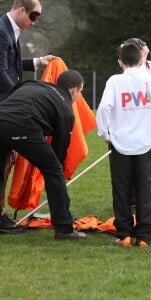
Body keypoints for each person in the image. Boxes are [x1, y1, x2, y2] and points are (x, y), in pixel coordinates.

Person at [96, 43, 151, 248]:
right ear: (141, 60)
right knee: (144, 188)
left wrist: (104, 133)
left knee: (121, 188)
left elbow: (104, 107)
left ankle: (124, 234)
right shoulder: (150, 81)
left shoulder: (115, 81)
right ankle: (144, 235)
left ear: (120, 62)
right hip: (145, 143)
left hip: (119, 143)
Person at [0, 70, 86, 239]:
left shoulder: (34, 83)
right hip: (22, 124)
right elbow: (58, 153)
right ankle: (64, 229)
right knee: (54, 171)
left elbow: (8, 98)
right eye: (80, 93)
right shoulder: (66, 110)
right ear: (74, 90)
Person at [0, 0, 55, 229]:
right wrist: (20, 98)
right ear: (21, 9)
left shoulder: (10, 29)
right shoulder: (2, 31)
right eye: (33, 16)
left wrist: (37, 62)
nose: (35, 22)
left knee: (4, 162)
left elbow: (11, 64)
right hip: (5, 107)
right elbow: (1, 72)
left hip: (6, 106)